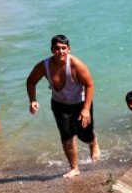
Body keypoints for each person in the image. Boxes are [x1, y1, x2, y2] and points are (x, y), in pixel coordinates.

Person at [26, 35, 99, 178]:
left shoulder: (76, 64)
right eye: (57, 48)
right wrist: (32, 100)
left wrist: (86, 109)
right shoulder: (44, 65)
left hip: (80, 103)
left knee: (84, 134)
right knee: (66, 136)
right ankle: (74, 168)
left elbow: (90, 84)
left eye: (63, 48)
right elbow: (31, 81)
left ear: (69, 49)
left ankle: (93, 142)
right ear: (52, 50)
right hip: (60, 105)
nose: (60, 52)